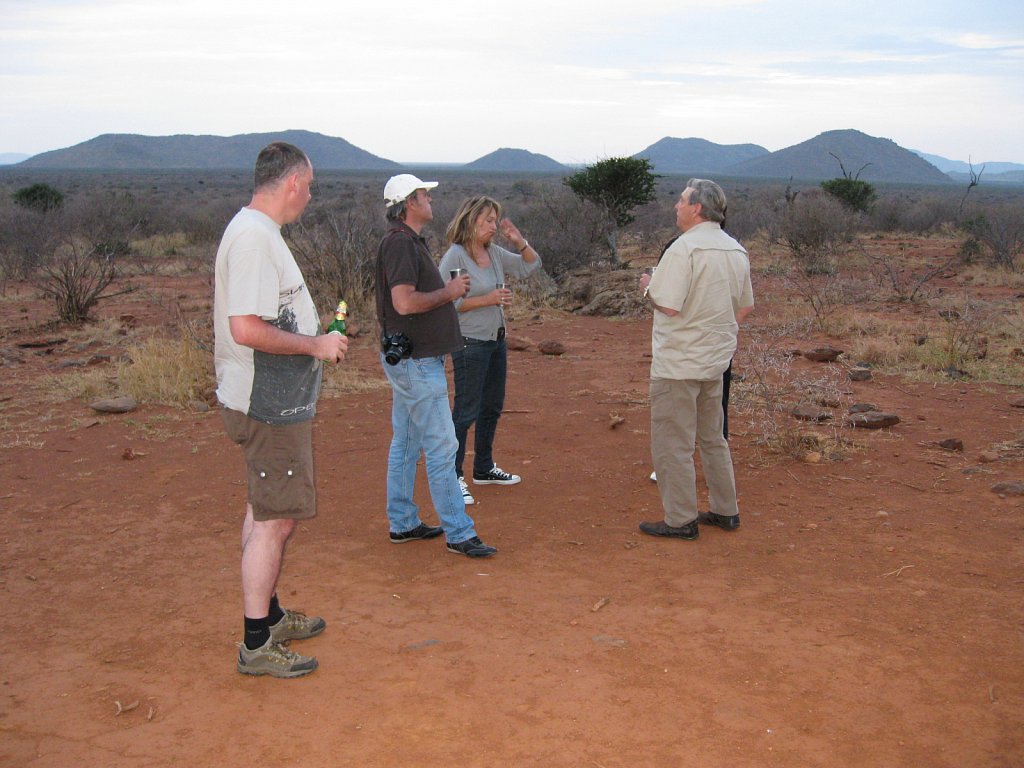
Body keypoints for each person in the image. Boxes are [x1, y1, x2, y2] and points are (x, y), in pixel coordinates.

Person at [214, 142, 347, 677]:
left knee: (266, 509)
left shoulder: (258, 232)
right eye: (309, 186)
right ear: (292, 183)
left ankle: (267, 614)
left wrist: (316, 336)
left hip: (272, 398)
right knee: (276, 520)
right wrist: (315, 346)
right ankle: (255, 644)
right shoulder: (252, 236)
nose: (310, 196)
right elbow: (244, 327)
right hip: (266, 403)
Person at [375, 174, 498, 558]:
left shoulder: (406, 241)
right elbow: (404, 303)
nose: (430, 200)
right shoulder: (399, 244)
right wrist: (449, 292)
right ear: (410, 202)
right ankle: (459, 532)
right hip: (417, 363)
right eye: (425, 195)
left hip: (413, 359)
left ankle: (403, 522)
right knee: (444, 446)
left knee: (408, 443)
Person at [638, 178, 754, 540]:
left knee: (673, 442)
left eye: (682, 201)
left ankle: (680, 519)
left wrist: (647, 287)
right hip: (715, 361)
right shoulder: (736, 250)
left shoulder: (683, 249)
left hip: (679, 363)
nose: (676, 206)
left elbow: (668, 303)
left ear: (697, 208)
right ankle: (725, 510)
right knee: (712, 437)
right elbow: (744, 307)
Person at [438, 196, 541, 505]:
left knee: (492, 406)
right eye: (488, 221)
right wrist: (490, 299)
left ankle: (483, 468)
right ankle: (453, 476)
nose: (494, 226)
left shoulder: (493, 253)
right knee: (465, 411)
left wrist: (520, 242)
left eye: (496, 220)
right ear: (471, 221)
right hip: (469, 342)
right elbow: (452, 303)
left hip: (495, 340)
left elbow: (531, 265)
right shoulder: (456, 257)